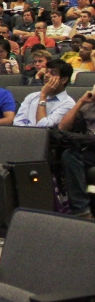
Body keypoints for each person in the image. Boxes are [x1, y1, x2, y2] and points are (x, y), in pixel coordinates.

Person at [55, 88, 95, 219]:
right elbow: (63, 128)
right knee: (69, 155)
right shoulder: (88, 107)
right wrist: (81, 102)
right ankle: (82, 211)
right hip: (91, 149)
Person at [12, 59, 74, 127]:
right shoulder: (32, 96)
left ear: (64, 80)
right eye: (46, 72)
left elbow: (43, 127)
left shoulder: (69, 104)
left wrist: (43, 96)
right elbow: (17, 122)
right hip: (24, 135)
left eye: (53, 73)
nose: (46, 75)